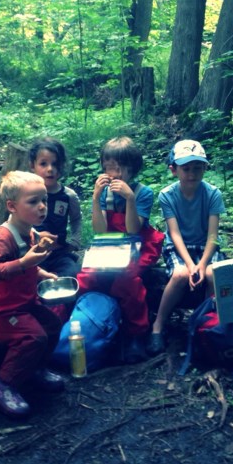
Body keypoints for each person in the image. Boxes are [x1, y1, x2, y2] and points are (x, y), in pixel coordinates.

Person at [0, 171, 66, 417]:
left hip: (22, 300)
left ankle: (35, 369)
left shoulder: (30, 231)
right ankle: (3, 385)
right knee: (33, 337)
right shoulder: (4, 237)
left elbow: (27, 262)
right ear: (12, 206)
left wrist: (40, 272)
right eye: (33, 202)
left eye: (43, 200)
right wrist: (25, 264)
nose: (42, 207)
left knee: (53, 324)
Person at [78, 136, 165, 363]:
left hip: (138, 243)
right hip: (110, 243)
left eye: (119, 169)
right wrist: (96, 198)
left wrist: (129, 198)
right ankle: (88, 327)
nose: (113, 174)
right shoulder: (104, 192)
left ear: (132, 168)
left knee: (127, 280)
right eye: (108, 168)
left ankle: (136, 333)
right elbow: (99, 230)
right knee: (87, 276)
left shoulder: (143, 192)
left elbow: (133, 228)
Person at [149, 140, 227, 354]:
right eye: (186, 168)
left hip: (206, 246)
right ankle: (158, 325)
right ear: (174, 170)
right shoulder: (167, 195)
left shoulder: (212, 194)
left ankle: (207, 322)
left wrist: (202, 264)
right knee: (180, 274)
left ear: (204, 168)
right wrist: (192, 265)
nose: (192, 174)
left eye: (197, 168)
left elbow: (213, 234)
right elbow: (174, 233)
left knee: (213, 274)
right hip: (179, 247)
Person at [28, 137, 83, 278]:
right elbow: (15, 221)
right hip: (31, 253)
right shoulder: (26, 195)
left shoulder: (68, 196)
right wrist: (37, 236)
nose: (50, 169)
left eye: (55, 164)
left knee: (72, 274)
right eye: (43, 164)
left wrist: (74, 241)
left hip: (59, 254)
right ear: (32, 166)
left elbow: (76, 219)